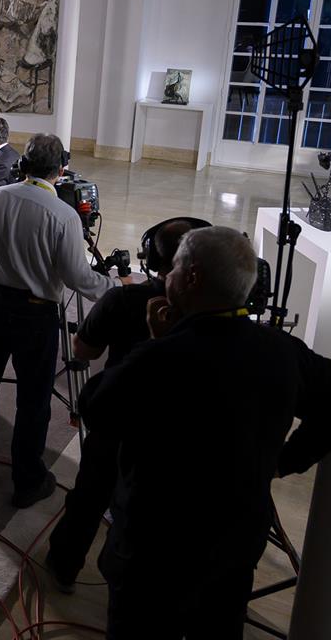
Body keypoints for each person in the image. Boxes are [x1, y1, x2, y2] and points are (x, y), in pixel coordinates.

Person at [81, 227, 331, 638]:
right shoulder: (281, 350)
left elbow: (96, 408)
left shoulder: (162, 357)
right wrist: (283, 463)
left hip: (155, 551)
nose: (168, 277)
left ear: (193, 278)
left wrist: (153, 343)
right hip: (233, 547)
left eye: (176, 267)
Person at [0, 133, 123, 508]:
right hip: (34, 313)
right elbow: (78, 278)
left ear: (24, 164)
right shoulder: (63, 215)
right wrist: (115, 289)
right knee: (33, 399)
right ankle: (27, 481)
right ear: (60, 169)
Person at [44, 218, 202, 592]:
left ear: (150, 258)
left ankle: (64, 566)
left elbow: (85, 350)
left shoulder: (124, 299)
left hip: (119, 418)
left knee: (89, 497)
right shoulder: (213, 313)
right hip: (183, 427)